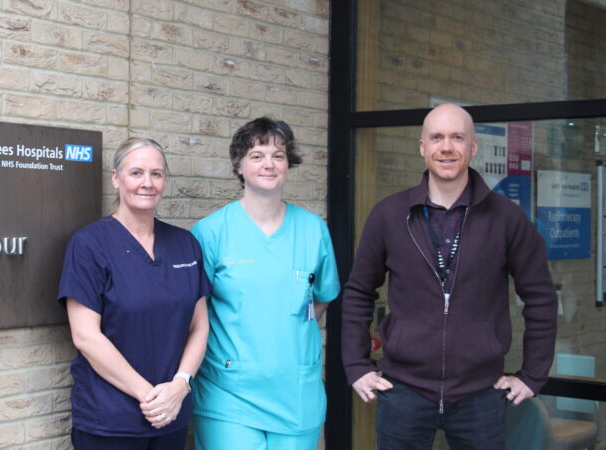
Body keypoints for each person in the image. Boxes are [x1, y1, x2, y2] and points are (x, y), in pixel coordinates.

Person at [342, 103, 558, 449]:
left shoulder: (506, 217)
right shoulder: (389, 214)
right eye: (437, 137)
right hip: (403, 392)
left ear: (473, 147)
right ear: (423, 147)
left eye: (457, 137)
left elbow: (541, 297)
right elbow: (358, 292)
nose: (446, 147)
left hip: (481, 396)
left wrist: (533, 375)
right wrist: (356, 365)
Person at [190, 117, 341, 450]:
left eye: (279, 155)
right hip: (228, 395)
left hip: (296, 395)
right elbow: (194, 314)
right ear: (239, 165)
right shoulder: (210, 233)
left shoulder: (313, 230)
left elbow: (322, 299)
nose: (269, 164)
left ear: (289, 164)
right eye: (257, 155)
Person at [57, 137, 211, 450]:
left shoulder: (185, 244)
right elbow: (86, 336)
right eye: (136, 173)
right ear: (116, 178)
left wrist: (181, 385)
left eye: (157, 174)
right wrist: (149, 396)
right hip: (110, 422)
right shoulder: (89, 245)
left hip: (171, 414)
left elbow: (199, 325)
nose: (148, 183)